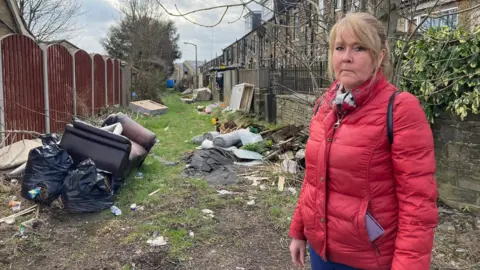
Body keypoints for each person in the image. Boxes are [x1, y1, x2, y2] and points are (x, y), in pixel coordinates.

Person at [288, 12, 438, 270]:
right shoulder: (324, 106)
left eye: (359, 48)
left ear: (379, 56)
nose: (346, 56)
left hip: (369, 257)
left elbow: (418, 205)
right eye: (339, 47)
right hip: (321, 250)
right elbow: (313, 179)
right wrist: (299, 230)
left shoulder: (400, 109)